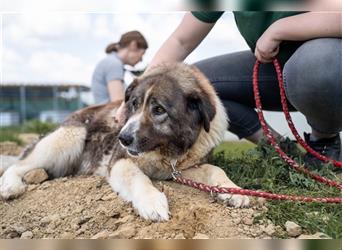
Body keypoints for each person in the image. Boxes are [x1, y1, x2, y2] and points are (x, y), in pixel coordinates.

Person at [148, 11, 342, 164]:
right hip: (273, 69)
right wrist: (142, 91)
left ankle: (324, 142)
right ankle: (281, 149)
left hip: (328, 68)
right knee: (198, 88)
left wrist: (279, 29)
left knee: (318, 64)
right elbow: (181, 41)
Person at [91, 30, 148, 104]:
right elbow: (118, 103)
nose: (141, 59)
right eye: (142, 54)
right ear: (133, 45)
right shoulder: (114, 64)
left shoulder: (110, 61)